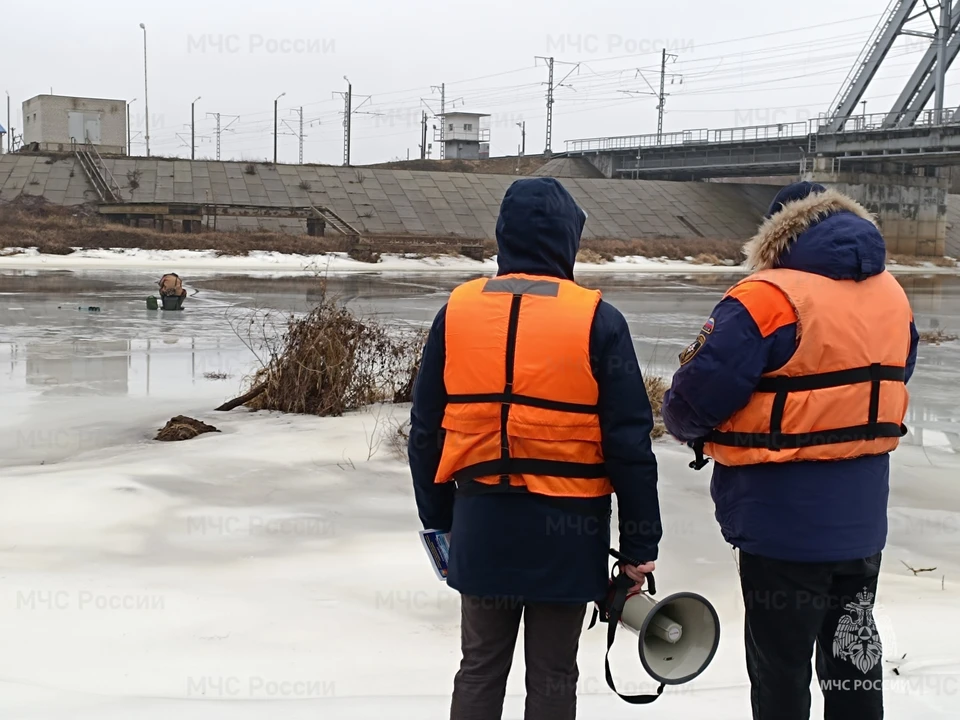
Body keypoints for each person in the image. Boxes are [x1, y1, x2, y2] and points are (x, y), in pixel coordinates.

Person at [661, 181, 920, 720]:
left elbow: (694, 398)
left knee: (780, 672)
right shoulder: (893, 296)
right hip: (861, 523)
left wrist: (686, 427)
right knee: (853, 661)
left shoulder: (766, 297)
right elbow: (894, 375)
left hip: (780, 527)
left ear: (775, 234)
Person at [408, 177, 662, 720]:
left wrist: (438, 519)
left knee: (478, 668)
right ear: (569, 239)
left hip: (480, 523)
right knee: (553, 675)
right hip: (568, 536)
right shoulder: (600, 320)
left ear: (504, 236)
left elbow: (425, 430)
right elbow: (629, 445)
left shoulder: (457, 312)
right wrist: (641, 543)